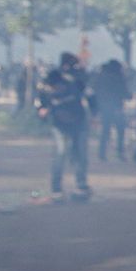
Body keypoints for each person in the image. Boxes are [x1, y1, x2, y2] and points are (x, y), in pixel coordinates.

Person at [35, 52, 92, 202]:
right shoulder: (53, 77)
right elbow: (42, 96)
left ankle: (81, 185)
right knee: (60, 153)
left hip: (78, 121)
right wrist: (42, 108)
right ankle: (56, 187)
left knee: (79, 154)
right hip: (59, 123)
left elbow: (90, 94)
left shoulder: (78, 78)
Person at [91, 58, 132, 162]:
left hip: (104, 107)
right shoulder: (118, 77)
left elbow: (95, 90)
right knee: (120, 130)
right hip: (117, 107)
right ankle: (120, 152)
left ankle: (102, 153)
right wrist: (128, 96)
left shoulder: (101, 76)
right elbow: (124, 92)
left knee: (105, 130)